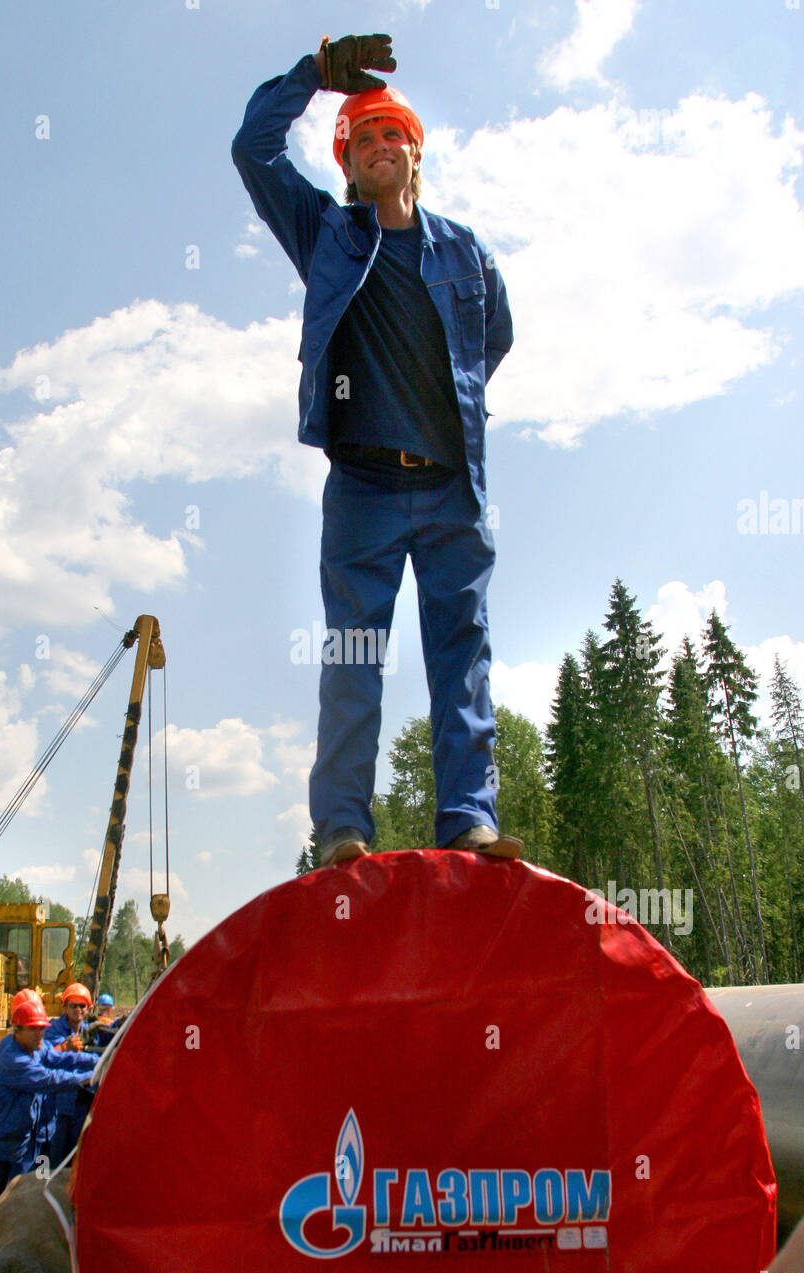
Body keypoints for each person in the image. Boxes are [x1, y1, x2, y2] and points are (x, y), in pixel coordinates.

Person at [232, 34, 522, 867]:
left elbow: (493, 336)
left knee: (462, 655)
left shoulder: (465, 252)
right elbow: (251, 150)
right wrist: (313, 77)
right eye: (362, 140)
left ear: (415, 151)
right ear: (347, 165)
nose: (378, 147)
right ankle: (344, 831)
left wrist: (444, 403)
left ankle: (468, 820)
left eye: (391, 134)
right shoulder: (327, 235)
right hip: (361, 488)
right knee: (354, 660)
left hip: (449, 489)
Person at [0, 994, 96, 1230]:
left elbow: (61, 1057)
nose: (40, 1034)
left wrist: (97, 1059)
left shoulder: (34, 1047)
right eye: (33, 1030)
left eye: (42, 1029)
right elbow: (48, 1078)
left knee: (12, 1212)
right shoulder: (13, 1056)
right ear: (16, 1031)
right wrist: (89, 1078)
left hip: (18, 1148)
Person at [43, 982, 95, 1168]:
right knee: (53, 1153)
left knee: (75, 1154)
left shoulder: (89, 1031)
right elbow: (49, 1056)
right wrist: (66, 1047)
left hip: (81, 1102)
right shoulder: (53, 1029)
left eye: (82, 1006)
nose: (78, 1010)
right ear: (65, 1007)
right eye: (73, 1005)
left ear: (89, 1008)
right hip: (57, 1102)